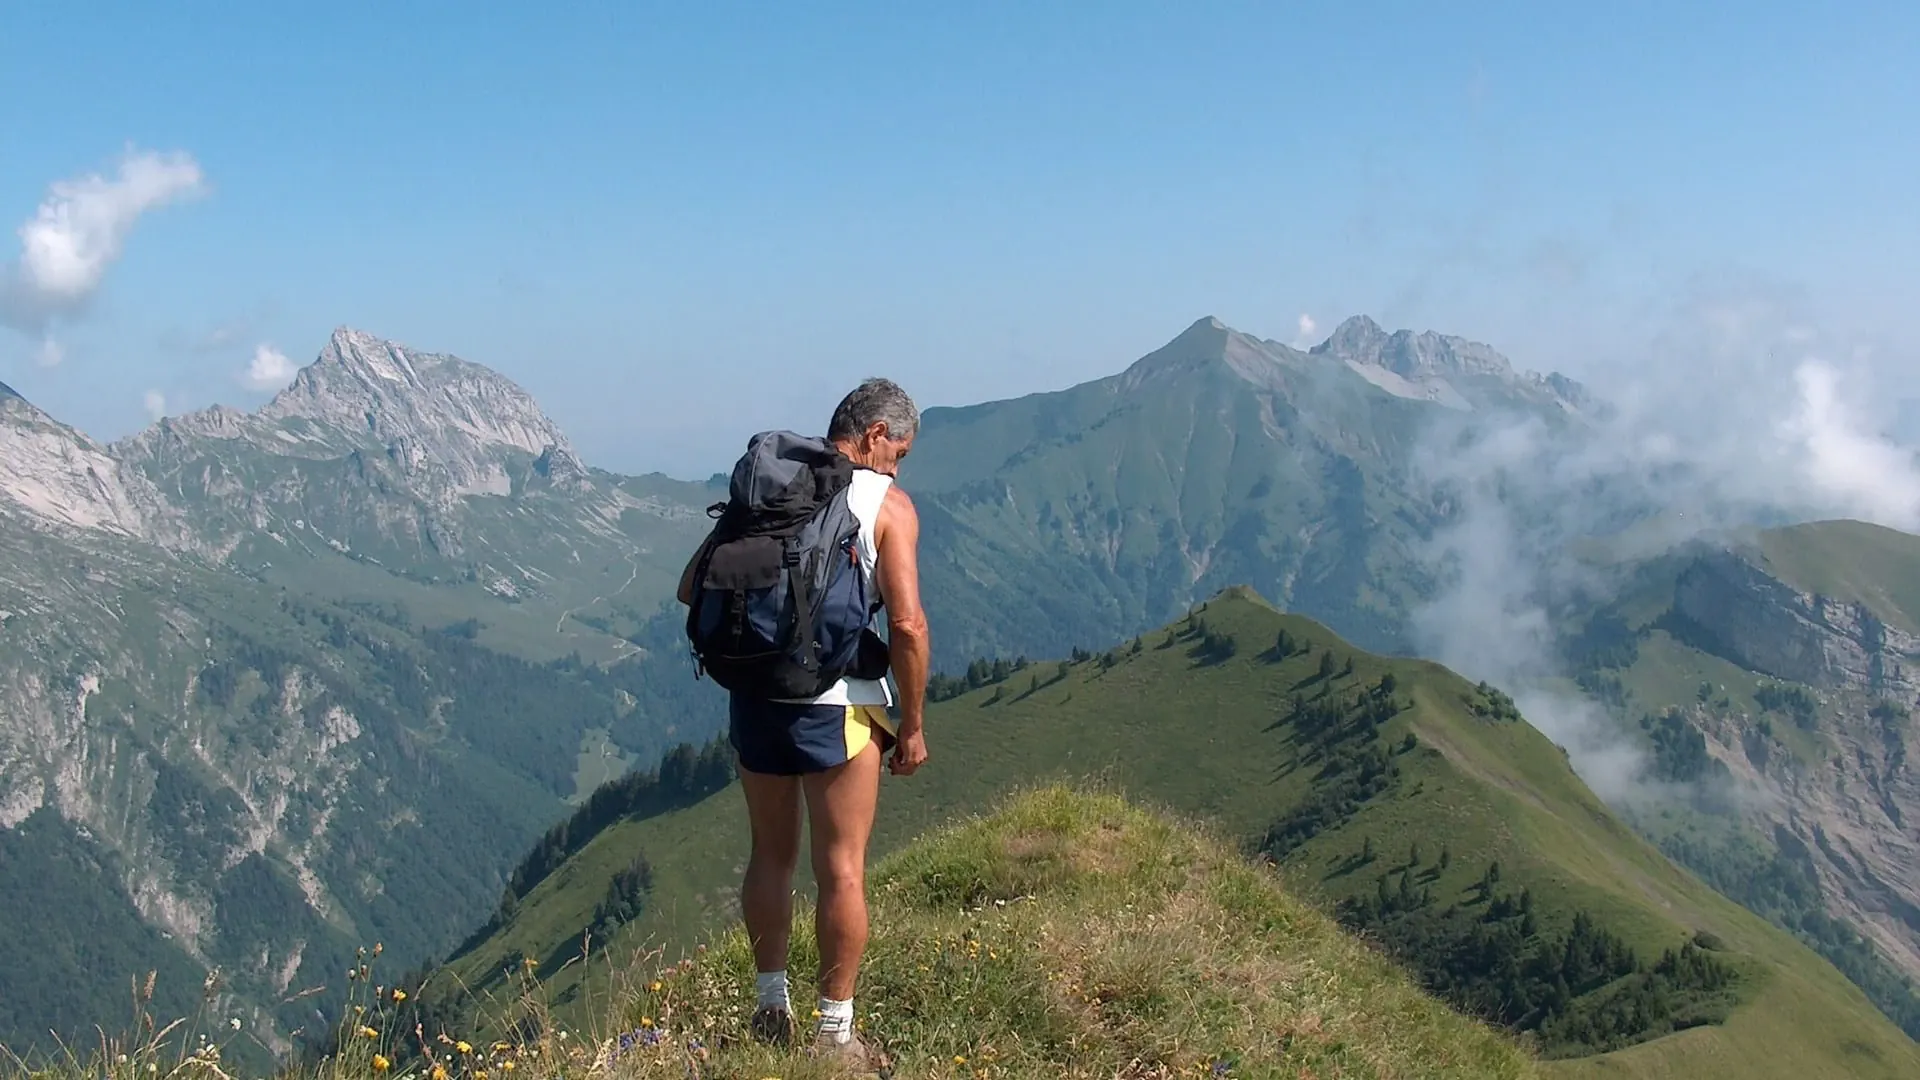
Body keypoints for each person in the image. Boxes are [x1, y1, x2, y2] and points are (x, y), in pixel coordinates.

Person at [677, 377, 930, 1066]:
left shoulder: (769, 487)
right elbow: (906, 625)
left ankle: (768, 1008)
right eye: (899, 451)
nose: (898, 466)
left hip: (755, 697)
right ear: (876, 436)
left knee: (770, 856)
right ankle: (834, 1036)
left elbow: (686, 588)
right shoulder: (886, 503)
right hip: (837, 706)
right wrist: (911, 724)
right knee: (841, 869)